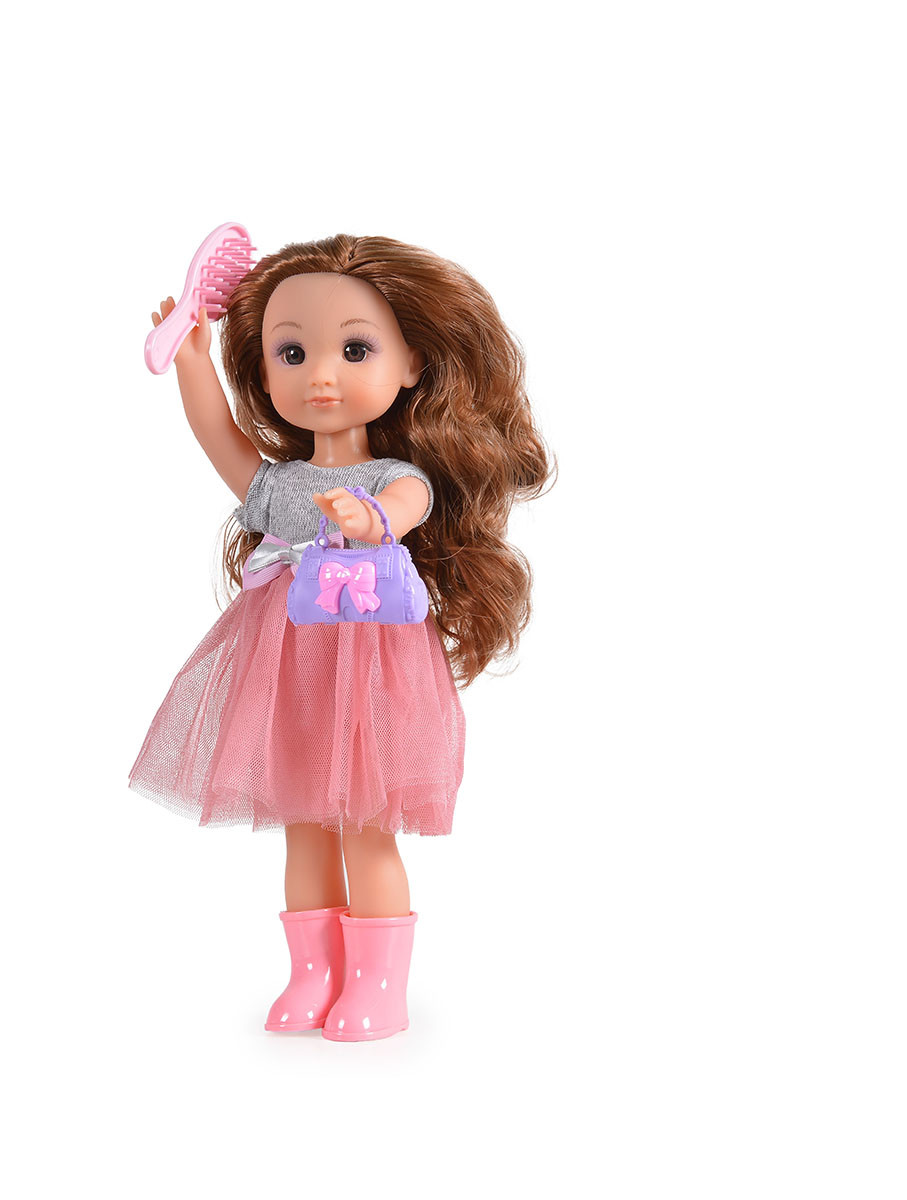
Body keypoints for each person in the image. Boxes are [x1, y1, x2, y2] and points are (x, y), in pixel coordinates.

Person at [129, 233, 552, 1040]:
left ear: (412, 363)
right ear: (265, 370)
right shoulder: (277, 484)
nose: (319, 374)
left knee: (366, 826)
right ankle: (313, 974)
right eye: (291, 353)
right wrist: (191, 364)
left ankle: (377, 987)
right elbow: (218, 436)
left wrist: (371, 518)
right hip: (288, 666)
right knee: (304, 824)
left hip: (371, 667)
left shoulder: (397, 476)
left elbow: (405, 508)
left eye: (355, 349)